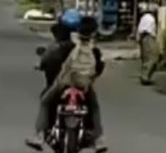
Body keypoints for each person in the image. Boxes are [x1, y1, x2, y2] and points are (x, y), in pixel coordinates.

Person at [27, 15, 107, 153]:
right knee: (94, 107)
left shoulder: (66, 46)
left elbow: (52, 62)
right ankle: (98, 139)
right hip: (84, 87)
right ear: (94, 32)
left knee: (45, 101)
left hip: (64, 84)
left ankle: (38, 135)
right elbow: (99, 69)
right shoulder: (95, 51)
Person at [138, 5, 159, 85]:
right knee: (152, 58)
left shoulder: (144, 17)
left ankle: (144, 75)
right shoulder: (150, 18)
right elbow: (145, 30)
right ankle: (145, 76)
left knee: (146, 58)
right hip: (148, 37)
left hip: (144, 38)